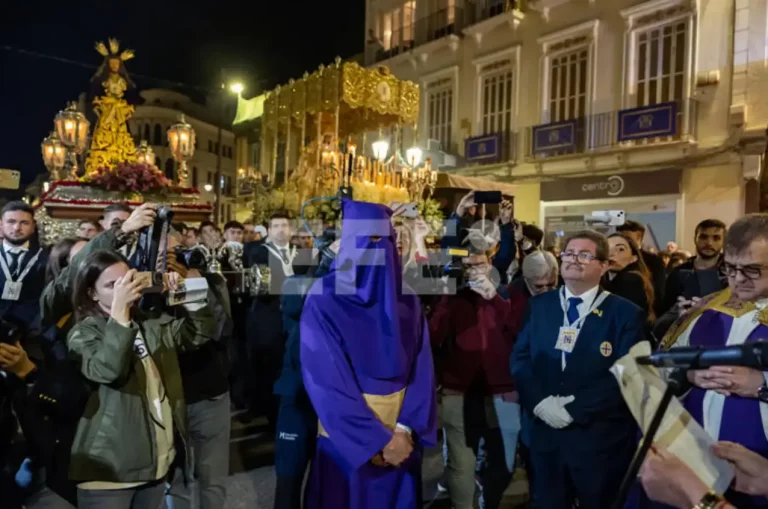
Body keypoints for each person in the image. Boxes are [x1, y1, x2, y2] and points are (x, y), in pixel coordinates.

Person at [300, 199, 437, 509]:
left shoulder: (409, 301)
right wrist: (376, 441)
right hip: (347, 444)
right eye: (369, 239)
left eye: (384, 239)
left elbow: (422, 371)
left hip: (403, 443)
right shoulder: (324, 300)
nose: (378, 248)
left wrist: (403, 430)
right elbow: (326, 382)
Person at [67, 250, 214, 509]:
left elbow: (198, 335)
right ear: (92, 293)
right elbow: (107, 370)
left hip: (154, 462)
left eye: (128, 281)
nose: (124, 290)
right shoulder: (84, 333)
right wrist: (120, 315)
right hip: (110, 471)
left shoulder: (149, 323)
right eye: (112, 285)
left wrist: (189, 290)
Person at [511, 230, 645, 508]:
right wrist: (539, 403)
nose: (574, 260)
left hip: (598, 439)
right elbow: (520, 360)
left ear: (604, 266)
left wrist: (574, 409)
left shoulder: (625, 313)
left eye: (585, 255)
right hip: (544, 434)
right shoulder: (539, 306)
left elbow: (627, 374)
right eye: (569, 253)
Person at [658, 213, 768, 509]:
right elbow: (662, 366)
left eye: (752, 270)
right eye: (730, 268)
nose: (737, 280)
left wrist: (761, 385)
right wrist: (689, 376)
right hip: (694, 463)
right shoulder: (706, 307)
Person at [430, 231, 525, 509]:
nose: (474, 271)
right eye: (468, 265)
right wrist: (447, 297)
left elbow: (521, 333)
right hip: (459, 391)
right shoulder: (453, 298)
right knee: (460, 463)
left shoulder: (510, 294)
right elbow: (433, 336)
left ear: (491, 263)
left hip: (503, 392)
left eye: (480, 264)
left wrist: (494, 297)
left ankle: (489, 501)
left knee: (505, 461)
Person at [244, 211, 296, 425]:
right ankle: (262, 407)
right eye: (276, 226)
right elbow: (258, 284)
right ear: (269, 230)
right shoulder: (257, 251)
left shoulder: (301, 252)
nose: (281, 229)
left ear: (291, 229)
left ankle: (284, 408)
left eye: (284, 225)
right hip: (267, 315)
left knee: (288, 362)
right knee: (266, 363)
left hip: (293, 318)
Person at [0, 201, 48, 334]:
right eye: (11, 221)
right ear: (1, 224)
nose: (16, 228)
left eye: (24, 223)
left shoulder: (46, 259)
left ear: (33, 227)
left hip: (31, 333)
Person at [662, 219, 727, 314]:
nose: (709, 243)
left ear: (723, 242)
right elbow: (665, 310)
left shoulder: (732, 274)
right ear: (695, 239)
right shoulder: (678, 273)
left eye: (716, 238)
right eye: (703, 237)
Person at [616, 220, 667, 316]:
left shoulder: (653, 260)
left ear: (639, 237)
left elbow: (659, 291)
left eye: (627, 238)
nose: (623, 241)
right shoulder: (614, 258)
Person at [605, 232, 655, 322]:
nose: (611, 254)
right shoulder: (608, 279)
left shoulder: (630, 280)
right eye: (607, 249)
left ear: (633, 258)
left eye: (620, 249)